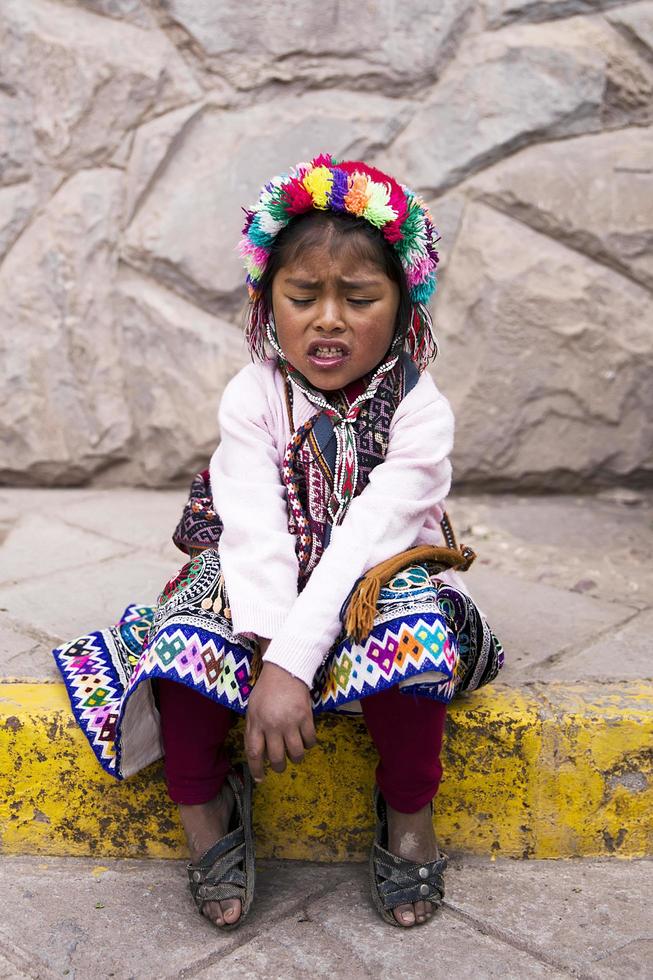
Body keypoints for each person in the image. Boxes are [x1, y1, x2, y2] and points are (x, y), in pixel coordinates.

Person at [54, 155, 503, 933]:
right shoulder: (252, 395)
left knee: (413, 630)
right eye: (302, 297)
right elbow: (255, 531)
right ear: (269, 304)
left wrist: (294, 662)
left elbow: (371, 535)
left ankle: (406, 810)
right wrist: (269, 651)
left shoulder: (420, 411)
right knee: (186, 638)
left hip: (370, 577)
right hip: (263, 580)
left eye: (359, 298)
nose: (327, 318)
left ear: (403, 308)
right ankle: (205, 806)